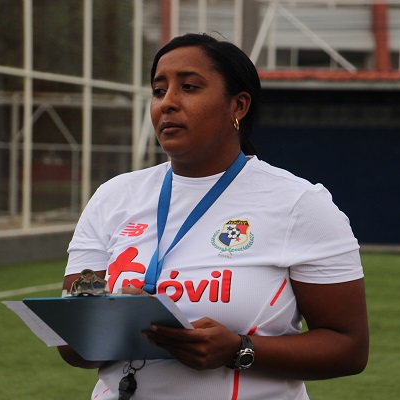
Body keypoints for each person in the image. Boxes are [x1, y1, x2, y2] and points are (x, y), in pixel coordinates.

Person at [59, 33, 368, 399]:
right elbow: (73, 347)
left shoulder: (299, 203)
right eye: (159, 91)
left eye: (188, 87)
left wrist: (239, 350)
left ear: (238, 106)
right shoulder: (114, 196)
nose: (167, 103)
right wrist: (106, 320)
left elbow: (348, 347)